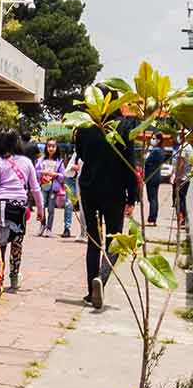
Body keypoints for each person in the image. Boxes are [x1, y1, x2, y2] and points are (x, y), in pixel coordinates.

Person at [74, 103, 138, 309]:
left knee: (93, 241)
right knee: (114, 241)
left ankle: (90, 291)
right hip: (114, 192)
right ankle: (101, 279)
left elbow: (81, 154)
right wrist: (132, 197)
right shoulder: (124, 127)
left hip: (89, 188)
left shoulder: (85, 126)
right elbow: (130, 162)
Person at [0, 130, 44, 292]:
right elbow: (35, 188)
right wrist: (41, 209)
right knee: (17, 245)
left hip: (3, 207)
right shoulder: (27, 162)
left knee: (1, 245)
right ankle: (14, 278)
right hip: (20, 207)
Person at [37, 139, 65, 237]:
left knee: (51, 209)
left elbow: (63, 176)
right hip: (44, 185)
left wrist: (55, 175)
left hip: (53, 187)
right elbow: (36, 172)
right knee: (42, 205)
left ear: (56, 148)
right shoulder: (41, 160)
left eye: (53, 146)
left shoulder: (60, 161)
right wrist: (42, 173)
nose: (51, 148)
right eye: (49, 146)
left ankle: (49, 228)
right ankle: (42, 225)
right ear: (46, 147)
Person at [143, 136, 166, 226]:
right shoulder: (161, 150)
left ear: (159, 140)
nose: (152, 140)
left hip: (151, 176)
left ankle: (152, 218)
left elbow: (147, 162)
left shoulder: (155, 150)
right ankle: (153, 218)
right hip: (156, 176)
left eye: (154, 138)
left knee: (152, 198)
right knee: (154, 198)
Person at [174, 139, 192, 229]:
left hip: (182, 177)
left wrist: (176, 176)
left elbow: (181, 162)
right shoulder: (190, 147)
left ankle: (182, 219)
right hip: (187, 177)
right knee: (184, 199)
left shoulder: (183, 147)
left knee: (180, 199)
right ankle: (185, 220)